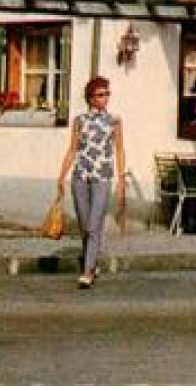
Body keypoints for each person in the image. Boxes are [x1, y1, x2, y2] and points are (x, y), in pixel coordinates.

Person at [58, 76, 125, 288]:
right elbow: (72, 150)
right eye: (100, 95)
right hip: (80, 177)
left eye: (107, 94)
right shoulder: (79, 121)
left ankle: (87, 271)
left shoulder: (114, 121)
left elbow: (119, 150)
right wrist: (61, 175)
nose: (105, 98)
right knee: (85, 225)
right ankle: (90, 261)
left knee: (95, 224)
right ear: (90, 98)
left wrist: (121, 178)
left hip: (102, 178)